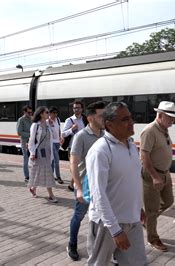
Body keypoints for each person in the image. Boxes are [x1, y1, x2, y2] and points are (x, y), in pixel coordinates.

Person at [86, 102, 146, 265]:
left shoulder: (132, 145)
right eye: (125, 119)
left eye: (131, 118)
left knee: (137, 262)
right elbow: (98, 194)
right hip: (107, 224)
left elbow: (131, 179)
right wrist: (115, 229)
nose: (132, 122)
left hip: (132, 219)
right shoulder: (100, 151)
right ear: (109, 125)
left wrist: (138, 207)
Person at [67, 101, 106, 261]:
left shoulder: (105, 134)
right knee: (79, 215)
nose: (105, 118)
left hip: (102, 185)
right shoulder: (81, 136)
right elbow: (73, 163)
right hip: (86, 185)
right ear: (90, 118)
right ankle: (72, 244)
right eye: (101, 115)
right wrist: (78, 187)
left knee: (103, 217)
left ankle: (106, 249)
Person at [140, 101, 175, 252]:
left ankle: (148, 219)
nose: (173, 121)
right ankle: (153, 238)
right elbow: (144, 156)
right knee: (152, 209)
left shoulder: (163, 129)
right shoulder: (150, 130)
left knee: (168, 201)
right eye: (170, 118)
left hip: (164, 173)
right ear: (160, 116)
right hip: (153, 175)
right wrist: (155, 176)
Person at [28, 106, 58, 203]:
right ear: (41, 114)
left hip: (48, 151)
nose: (48, 114)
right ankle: (51, 195)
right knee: (48, 172)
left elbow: (54, 136)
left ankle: (33, 188)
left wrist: (52, 126)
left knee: (38, 171)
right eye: (46, 112)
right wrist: (32, 153)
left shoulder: (48, 124)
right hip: (40, 152)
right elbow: (31, 141)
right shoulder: (35, 125)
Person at [62, 101, 87, 191]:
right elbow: (63, 134)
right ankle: (76, 185)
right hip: (72, 147)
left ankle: (72, 184)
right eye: (75, 108)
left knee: (82, 166)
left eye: (78, 108)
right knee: (75, 166)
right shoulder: (69, 120)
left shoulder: (85, 119)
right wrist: (71, 130)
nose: (76, 109)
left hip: (84, 146)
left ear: (82, 109)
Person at [47, 106, 64, 184]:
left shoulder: (58, 119)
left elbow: (59, 129)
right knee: (56, 160)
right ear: (50, 113)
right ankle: (58, 177)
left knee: (53, 160)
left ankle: (51, 175)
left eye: (56, 112)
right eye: (53, 113)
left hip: (57, 142)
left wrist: (60, 137)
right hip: (51, 143)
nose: (55, 114)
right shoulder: (47, 121)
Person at [17, 105, 33, 183]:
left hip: (32, 141)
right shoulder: (21, 120)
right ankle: (27, 176)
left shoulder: (32, 119)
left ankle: (33, 175)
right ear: (24, 112)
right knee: (26, 159)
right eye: (28, 112)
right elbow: (19, 132)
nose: (30, 114)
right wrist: (29, 134)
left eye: (31, 112)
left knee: (34, 158)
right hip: (25, 142)